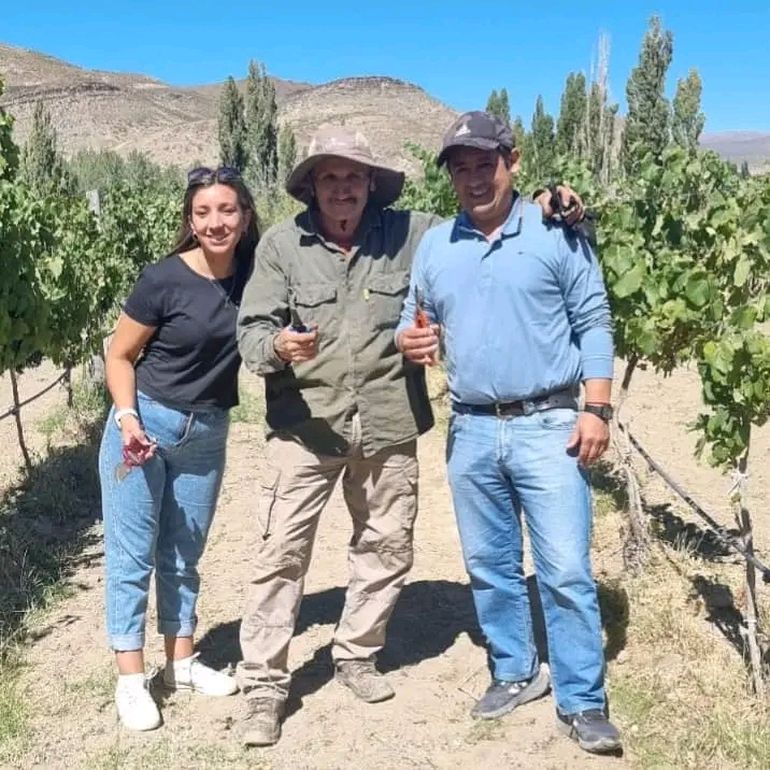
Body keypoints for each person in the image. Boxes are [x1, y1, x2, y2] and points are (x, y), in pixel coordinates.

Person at [235, 125, 586, 747]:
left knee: (386, 547)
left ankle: (356, 654)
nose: (342, 189)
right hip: (304, 428)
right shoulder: (283, 246)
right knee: (280, 554)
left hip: (388, 423)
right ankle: (264, 685)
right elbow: (252, 332)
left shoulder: (415, 233)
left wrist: (544, 200)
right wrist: (278, 347)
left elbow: (485, 217)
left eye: (353, 176)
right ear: (311, 186)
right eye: (328, 177)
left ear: (372, 184)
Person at [396, 111, 622, 755]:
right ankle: (515, 669)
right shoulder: (436, 246)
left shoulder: (556, 230)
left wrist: (597, 408)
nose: (473, 179)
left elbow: (595, 321)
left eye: (484, 164)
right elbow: (413, 318)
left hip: (550, 424)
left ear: (512, 162)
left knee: (566, 569)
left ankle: (582, 700)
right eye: (460, 168)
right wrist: (409, 339)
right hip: (470, 427)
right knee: (489, 565)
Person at [98, 166, 259, 731]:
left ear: (245, 216)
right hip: (145, 426)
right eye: (202, 212)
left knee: (184, 554)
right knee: (132, 556)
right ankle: (131, 679)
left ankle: (181, 665)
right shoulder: (163, 279)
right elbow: (119, 356)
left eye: (226, 210)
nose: (215, 222)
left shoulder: (256, 277)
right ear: (190, 220)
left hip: (208, 432)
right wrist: (127, 419)